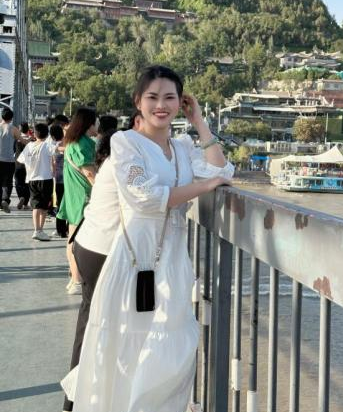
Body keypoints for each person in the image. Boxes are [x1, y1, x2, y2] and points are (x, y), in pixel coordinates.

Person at [61, 65, 234, 412]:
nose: (161, 105)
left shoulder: (182, 146)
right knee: (123, 344)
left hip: (169, 259)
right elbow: (145, 196)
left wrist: (199, 121)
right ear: (138, 101)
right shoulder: (125, 143)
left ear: (181, 102)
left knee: (168, 349)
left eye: (170, 97)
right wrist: (205, 186)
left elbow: (220, 169)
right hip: (128, 257)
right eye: (152, 97)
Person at [62, 118, 137, 412]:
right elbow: (154, 199)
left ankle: (76, 401)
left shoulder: (106, 163)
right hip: (101, 249)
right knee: (99, 326)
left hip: (90, 243)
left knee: (89, 324)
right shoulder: (123, 165)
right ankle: (83, 399)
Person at [57, 107, 97, 295]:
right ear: (89, 123)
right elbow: (90, 174)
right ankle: (77, 280)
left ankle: (74, 278)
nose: (97, 124)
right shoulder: (82, 144)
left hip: (74, 196)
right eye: (96, 121)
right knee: (76, 241)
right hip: (84, 197)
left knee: (73, 237)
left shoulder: (73, 142)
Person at [17, 123, 56, 241]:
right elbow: (57, 151)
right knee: (44, 207)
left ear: (34, 134)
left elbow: (21, 159)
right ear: (47, 134)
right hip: (45, 179)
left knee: (36, 206)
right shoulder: (47, 145)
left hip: (32, 180)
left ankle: (36, 230)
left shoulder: (29, 146)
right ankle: (40, 231)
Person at [0, 108, 21, 213]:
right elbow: (22, 140)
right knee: (8, 182)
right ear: (11, 118)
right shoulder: (13, 129)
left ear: (2, 116)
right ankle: (5, 199)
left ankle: (0, 203)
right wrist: (31, 140)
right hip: (9, 161)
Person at [49, 124, 68, 238]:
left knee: (60, 204)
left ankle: (60, 230)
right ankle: (68, 227)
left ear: (52, 136)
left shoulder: (53, 146)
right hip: (69, 179)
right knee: (69, 203)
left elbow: (53, 164)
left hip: (58, 180)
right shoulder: (68, 144)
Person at [14, 122, 32, 210]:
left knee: (18, 182)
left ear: (20, 129)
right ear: (28, 129)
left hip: (18, 164)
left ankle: (21, 196)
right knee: (27, 184)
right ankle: (25, 203)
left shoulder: (17, 140)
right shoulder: (31, 140)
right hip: (29, 165)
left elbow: (14, 151)